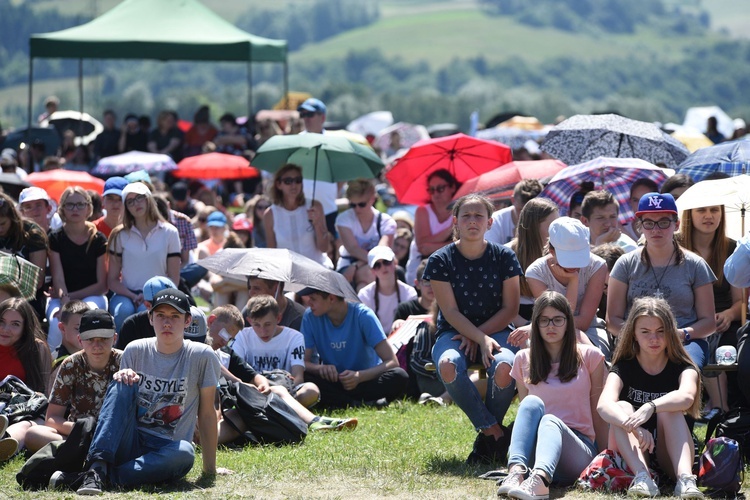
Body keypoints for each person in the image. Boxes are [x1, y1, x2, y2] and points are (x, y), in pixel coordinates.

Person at [62, 289, 226, 495]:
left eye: (175, 316)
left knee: (186, 452)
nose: (167, 323)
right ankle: (96, 469)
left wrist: (210, 470)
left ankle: (102, 477)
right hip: (130, 440)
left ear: (187, 321)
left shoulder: (202, 355)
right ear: (150, 318)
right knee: (121, 383)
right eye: (161, 316)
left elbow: (207, 413)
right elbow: (118, 406)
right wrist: (123, 377)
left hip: (167, 449)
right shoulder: (134, 349)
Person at [425, 194, 522, 464]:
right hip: (453, 332)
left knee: (505, 366)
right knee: (447, 364)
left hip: (499, 330)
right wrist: (476, 337)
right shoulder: (439, 260)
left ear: (490, 222)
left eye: (479, 216)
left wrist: (481, 336)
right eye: (466, 216)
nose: (472, 221)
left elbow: (510, 309)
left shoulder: (504, 256)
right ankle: (492, 430)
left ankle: (487, 441)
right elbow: (450, 311)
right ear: (455, 222)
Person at [497, 292, 606, 499]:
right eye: (544, 320)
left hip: (578, 448)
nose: (551, 326)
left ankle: (540, 481)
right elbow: (526, 416)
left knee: (549, 421)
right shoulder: (523, 358)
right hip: (538, 448)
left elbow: (597, 411)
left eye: (557, 320)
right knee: (530, 403)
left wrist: (606, 456)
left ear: (568, 322)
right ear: (535, 324)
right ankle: (516, 472)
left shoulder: (590, 356)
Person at [597, 297, 703, 499]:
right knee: (622, 406)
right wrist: (634, 426)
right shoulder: (623, 366)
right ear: (634, 334)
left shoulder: (683, 366)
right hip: (634, 450)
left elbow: (687, 397)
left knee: (669, 409)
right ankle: (642, 477)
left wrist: (651, 406)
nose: (653, 339)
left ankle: (686, 481)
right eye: (645, 332)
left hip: (671, 454)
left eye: (660, 331)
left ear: (671, 332)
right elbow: (603, 405)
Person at [206, 305, 357, 440]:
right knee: (249, 414)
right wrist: (241, 384)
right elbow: (211, 363)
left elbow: (253, 374)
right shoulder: (196, 344)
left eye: (231, 340)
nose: (226, 342)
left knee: (280, 392)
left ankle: (314, 421)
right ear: (211, 321)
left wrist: (261, 385)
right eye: (226, 335)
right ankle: (203, 439)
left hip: (226, 410)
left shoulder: (225, 352)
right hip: (205, 413)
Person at [607, 192, 716, 371]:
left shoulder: (695, 265)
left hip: (684, 340)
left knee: (688, 371)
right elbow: (612, 320)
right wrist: (642, 337)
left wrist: (680, 335)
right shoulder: (625, 264)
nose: (656, 229)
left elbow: (709, 322)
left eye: (664, 222)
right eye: (649, 223)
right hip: (635, 341)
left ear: (677, 224)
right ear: (640, 226)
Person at [25, 309, 122, 454]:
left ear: (114, 338)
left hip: (115, 434)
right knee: (33, 434)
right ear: (80, 340)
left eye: (103, 338)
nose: (97, 345)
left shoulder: (125, 360)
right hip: (79, 433)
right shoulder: (70, 364)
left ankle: (80, 453)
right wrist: (85, 430)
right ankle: (88, 452)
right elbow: (52, 418)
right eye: (90, 339)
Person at [677, 204, 743, 414]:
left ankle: (729, 407)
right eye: (701, 210)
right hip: (686, 319)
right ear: (689, 214)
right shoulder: (674, 245)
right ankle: (713, 404)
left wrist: (728, 314)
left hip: (724, 321)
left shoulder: (732, 248)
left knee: (732, 345)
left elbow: (740, 301)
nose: (708, 216)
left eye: (714, 210)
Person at [300, 287, 409, 409]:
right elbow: (303, 362)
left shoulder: (363, 315)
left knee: (400, 376)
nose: (309, 303)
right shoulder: (310, 317)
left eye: (313, 299)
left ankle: (343, 402)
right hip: (334, 381)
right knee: (305, 377)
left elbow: (392, 362)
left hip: (366, 380)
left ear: (331, 298)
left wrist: (359, 376)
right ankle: (361, 402)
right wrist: (320, 368)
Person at [521, 217, 610, 358]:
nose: (574, 264)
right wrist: (573, 281)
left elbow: (585, 322)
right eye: (568, 257)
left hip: (589, 330)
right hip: (548, 331)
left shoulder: (598, 266)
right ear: (551, 250)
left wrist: (573, 280)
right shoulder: (535, 272)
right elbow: (554, 317)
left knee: (597, 356)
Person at [107, 182, 181, 331]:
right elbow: (112, 280)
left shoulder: (170, 232)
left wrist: (154, 298)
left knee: (146, 314)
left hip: (158, 295)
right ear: (126, 207)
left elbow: (174, 279)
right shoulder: (119, 234)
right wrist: (133, 296)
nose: (136, 204)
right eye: (130, 201)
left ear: (148, 199)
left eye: (139, 198)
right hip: (126, 294)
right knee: (123, 312)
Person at [46, 187, 108, 352]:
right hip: (61, 296)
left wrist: (70, 297)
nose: (75, 209)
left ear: (89, 208)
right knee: (55, 323)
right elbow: (58, 278)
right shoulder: (55, 238)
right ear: (62, 209)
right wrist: (64, 301)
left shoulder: (98, 239)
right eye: (70, 205)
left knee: (90, 317)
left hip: (93, 296)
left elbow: (102, 285)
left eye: (80, 204)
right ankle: (52, 368)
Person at [232, 296, 319, 408]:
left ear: (278, 318)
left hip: (285, 389)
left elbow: (298, 376)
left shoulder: (294, 337)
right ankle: (284, 408)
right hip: (254, 389)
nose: (262, 331)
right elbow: (237, 373)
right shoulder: (242, 335)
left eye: (267, 324)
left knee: (311, 390)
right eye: (257, 325)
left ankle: (273, 407)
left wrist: (283, 392)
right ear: (249, 321)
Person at [0, 298, 53, 461]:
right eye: (1, 322)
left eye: (15, 324)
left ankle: (5, 444)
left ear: (25, 328)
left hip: (25, 410)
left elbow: (45, 394)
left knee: (25, 427)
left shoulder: (37, 348)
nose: (5, 329)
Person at [264, 163, 331, 267]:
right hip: (287, 273)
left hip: (316, 269)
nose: (294, 185)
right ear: (278, 185)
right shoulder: (270, 214)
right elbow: (272, 253)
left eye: (298, 180)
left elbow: (324, 248)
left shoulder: (315, 206)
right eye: (288, 181)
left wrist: (318, 224)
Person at [335, 179, 396, 290]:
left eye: (362, 204)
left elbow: (381, 252)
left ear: (372, 199)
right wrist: (356, 265)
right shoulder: (343, 219)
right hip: (349, 262)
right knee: (367, 276)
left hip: (376, 264)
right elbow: (353, 249)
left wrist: (356, 265)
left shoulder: (386, 221)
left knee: (368, 275)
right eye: (352, 205)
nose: (357, 209)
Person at [507, 197, 559, 326]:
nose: (558, 231)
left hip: (553, 317)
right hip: (517, 320)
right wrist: (528, 326)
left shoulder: (561, 253)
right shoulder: (506, 254)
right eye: (553, 226)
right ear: (534, 227)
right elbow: (501, 304)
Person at [405, 169, 460, 283]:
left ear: (453, 187)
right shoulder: (422, 211)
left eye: (440, 188)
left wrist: (431, 245)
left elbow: (427, 247)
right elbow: (423, 248)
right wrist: (450, 231)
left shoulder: (461, 210)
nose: (435, 194)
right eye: (432, 190)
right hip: (420, 271)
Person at [358, 246, 417, 333]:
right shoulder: (364, 295)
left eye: (386, 262)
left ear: (395, 263)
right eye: (377, 265)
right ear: (372, 271)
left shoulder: (409, 293)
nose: (383, 267)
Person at [486, 179, 543, 246]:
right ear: (513, 200)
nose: (527, 216)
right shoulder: (495, 221)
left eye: (534, 212)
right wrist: (518, 240)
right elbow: (492, 253)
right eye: (521, 210)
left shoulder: (545, 220)